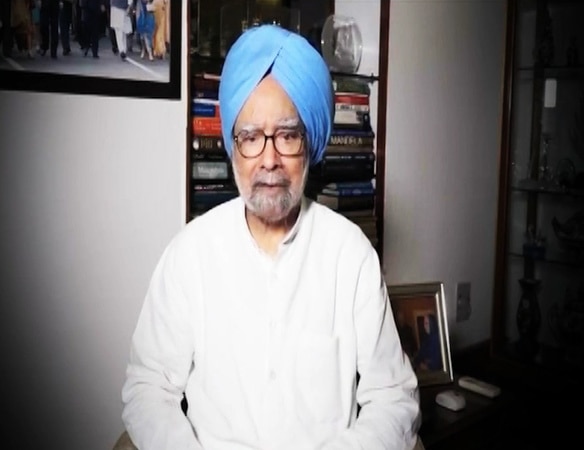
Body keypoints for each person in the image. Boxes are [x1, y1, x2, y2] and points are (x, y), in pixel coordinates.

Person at [121, 24, 421, 450]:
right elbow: (148, 389)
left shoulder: (350, 255)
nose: (269, 159)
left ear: (309, 143)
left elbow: (394, 399)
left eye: (287, 135)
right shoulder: (191, 253)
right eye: (250, 137)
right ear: (232, 147)